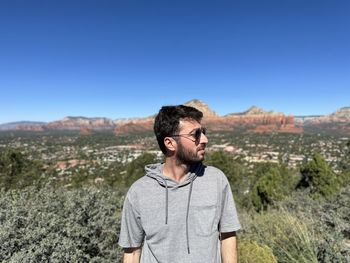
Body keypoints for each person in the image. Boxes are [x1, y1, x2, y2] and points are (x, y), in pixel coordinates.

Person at [118, 105, 241, 263]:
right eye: (195, 134)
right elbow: (132, 252)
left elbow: (228, 236)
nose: (204, 139)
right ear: (170, 143)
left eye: (203, 132)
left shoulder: (217, 180)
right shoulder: (138, 192)